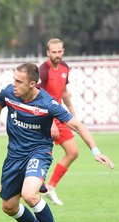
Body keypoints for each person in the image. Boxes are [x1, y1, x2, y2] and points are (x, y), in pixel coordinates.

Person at [0, 63, 114, 222]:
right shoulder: (9, 93)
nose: (14, 84)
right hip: (14, 157)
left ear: (32, 84)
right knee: (9, 207)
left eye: (19, 81)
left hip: (39, 153)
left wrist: (96, 152)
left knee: (30, 195)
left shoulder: (47, 104)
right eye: (14, 80)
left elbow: (77, 126)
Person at [38, 38, 79, 206]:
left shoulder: (65, 68)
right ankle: (28, 188)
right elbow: (38, 96)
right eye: (53, 52)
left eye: (59, 51)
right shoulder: (43, 70)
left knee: (73, 152)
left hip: (60, 116)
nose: (57, 55)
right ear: (48, 53)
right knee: (40, 155)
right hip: (44, 119)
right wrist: (50, 122)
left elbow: (64, 92)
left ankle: (51, 187)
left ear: (63, 51)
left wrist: (73, 115)